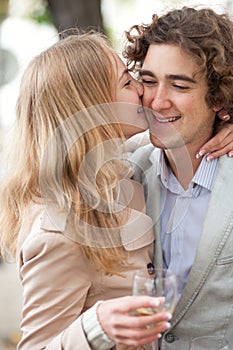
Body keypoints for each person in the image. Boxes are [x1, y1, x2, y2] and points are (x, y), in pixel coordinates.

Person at [0, 31, 231, 350]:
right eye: (127, 83)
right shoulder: (59, 231)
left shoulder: (124, 169)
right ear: (93, 108)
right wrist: (94, 326)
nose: (143, 93)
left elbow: (184, 129)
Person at [123, 6, 233, 348]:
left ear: (217, 97)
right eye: (149, 81)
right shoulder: (127, 170)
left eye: (179, 85)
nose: (156, 101)